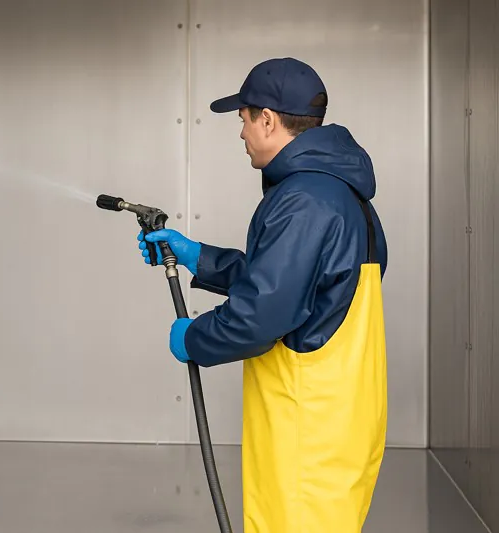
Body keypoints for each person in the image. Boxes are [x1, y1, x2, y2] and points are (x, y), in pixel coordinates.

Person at [139, 58, 388, 532]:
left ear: (269, 120)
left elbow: (261, 317)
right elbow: (305, 288)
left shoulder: (303, 198)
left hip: (306, 423)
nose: (242, 134)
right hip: (339, 413)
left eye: (244, 119)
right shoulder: (341, 192)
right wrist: (198, 258)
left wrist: (193, 338)